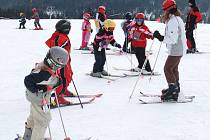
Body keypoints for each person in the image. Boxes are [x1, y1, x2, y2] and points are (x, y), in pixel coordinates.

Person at [20, 47, 69, 140]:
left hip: (37, 98)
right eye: (61, 61)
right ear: (53, 61)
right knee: (43, 120)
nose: (62, 63)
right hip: (40, 99)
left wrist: (57, 82)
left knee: (34, 116)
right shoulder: (44, 73)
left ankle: (28, 136)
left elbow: (46, 80)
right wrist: (37, 89)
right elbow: (28, 80)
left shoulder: (45, 67)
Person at [153, 0, 186, 101]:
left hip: (176, 49)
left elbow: (173, 39)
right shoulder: (176, 19)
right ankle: (175, 87)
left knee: (167, 68)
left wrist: (160, 37)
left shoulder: (173, 21)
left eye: (165, 10)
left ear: (169, 10)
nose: (164, 12)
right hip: (178, 49)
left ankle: (173, 90)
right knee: (173, 69)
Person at [45, 19, 73, 105]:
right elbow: (57, 48)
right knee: (64, 77)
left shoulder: (58, 35)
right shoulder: (62, 38)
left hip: (63, 60)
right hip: (61, 61)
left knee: (69, 75)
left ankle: (64, 90)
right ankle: (59, 96)